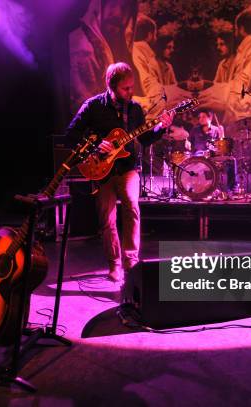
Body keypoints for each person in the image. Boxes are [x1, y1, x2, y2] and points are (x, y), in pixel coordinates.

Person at [66, 62, 173, 282]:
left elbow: (144, 139)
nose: (131, 92)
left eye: (132, 87)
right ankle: (114, 264)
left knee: (132, 208)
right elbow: (71, 135)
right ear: (111, 86)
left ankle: (130, 262)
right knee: (107, 219)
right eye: (126, 88)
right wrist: (95, 147)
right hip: (101, 171)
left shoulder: (134, 109)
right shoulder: (93, 106)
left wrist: (160, 127)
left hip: (128, 168)